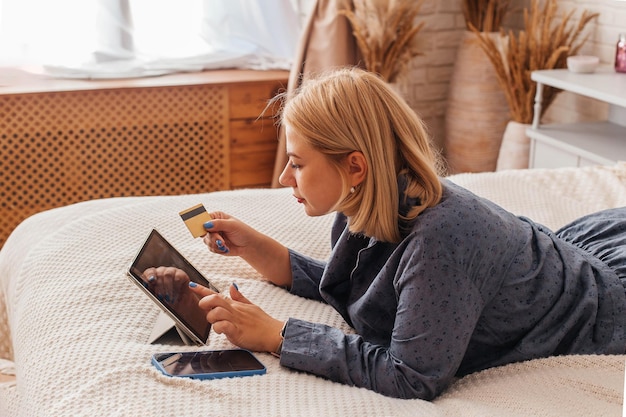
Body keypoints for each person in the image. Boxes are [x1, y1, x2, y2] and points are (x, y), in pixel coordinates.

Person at [177, 67, 626, 400]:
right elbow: (368, 286)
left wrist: (277, 335)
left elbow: (413, 375)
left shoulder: (440, 242)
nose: (282, 179)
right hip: (555, 258)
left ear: (355, 166)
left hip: (597, 303)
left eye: (296, 163)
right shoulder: (367, 198)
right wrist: (260, 250)